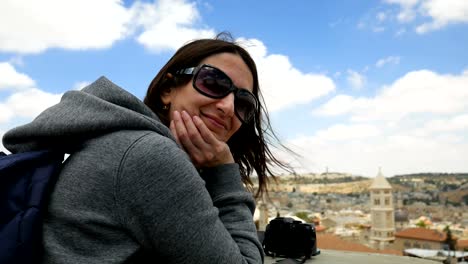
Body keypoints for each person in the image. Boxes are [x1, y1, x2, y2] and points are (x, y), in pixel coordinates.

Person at [3, 33, 289, 263]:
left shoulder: (121, 140)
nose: (227, 106)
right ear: (168, 90)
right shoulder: (149, 155)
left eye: (243, 103)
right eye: (213, 82)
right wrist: (225, 171)